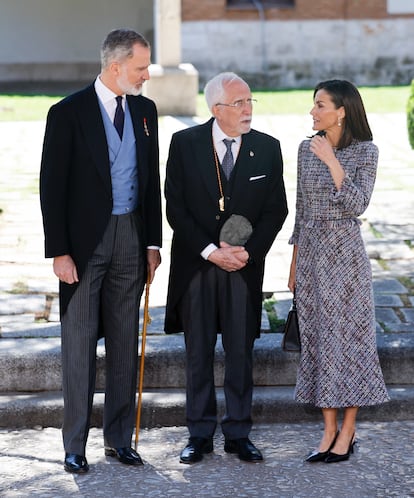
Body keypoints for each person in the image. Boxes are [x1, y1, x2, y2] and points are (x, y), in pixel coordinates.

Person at [39, 29, 162, 473]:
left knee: (126, 343)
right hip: (83, 245)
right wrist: (59, 251)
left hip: (132, 235)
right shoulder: (67, 113)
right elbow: (51, 188)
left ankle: (118, 439)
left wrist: (152, 242)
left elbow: (151, 183)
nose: (147, 76)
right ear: (115, 67)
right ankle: (74, 444)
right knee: (78, 346)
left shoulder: (146, 112)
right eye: (140, 68)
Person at [164, 72, 288, 464]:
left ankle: (238, 433)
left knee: (240, 352)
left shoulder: (268, 148)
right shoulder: (184, 144)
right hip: (198, 266)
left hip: (243, 268)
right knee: (197, 352)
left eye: (250, 101)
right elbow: (175, 208)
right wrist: (208, 250)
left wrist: (248, 253)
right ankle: (199, 434)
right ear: (216, 109)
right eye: (239, 103)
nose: (248, 109)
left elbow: (276, 210)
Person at [288, 79, 389, 464]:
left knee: (349, 343)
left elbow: (356, 203)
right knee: (316, 341)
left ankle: (348, 431)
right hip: (312, 254)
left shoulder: (366, 151)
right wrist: (295, 264)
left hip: (345, 256)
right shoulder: (303, 148)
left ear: (342, 110)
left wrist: (332, 160)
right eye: (313, 105)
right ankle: (328, 430)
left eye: (319, 105)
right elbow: (301, 209)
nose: (312, 112)